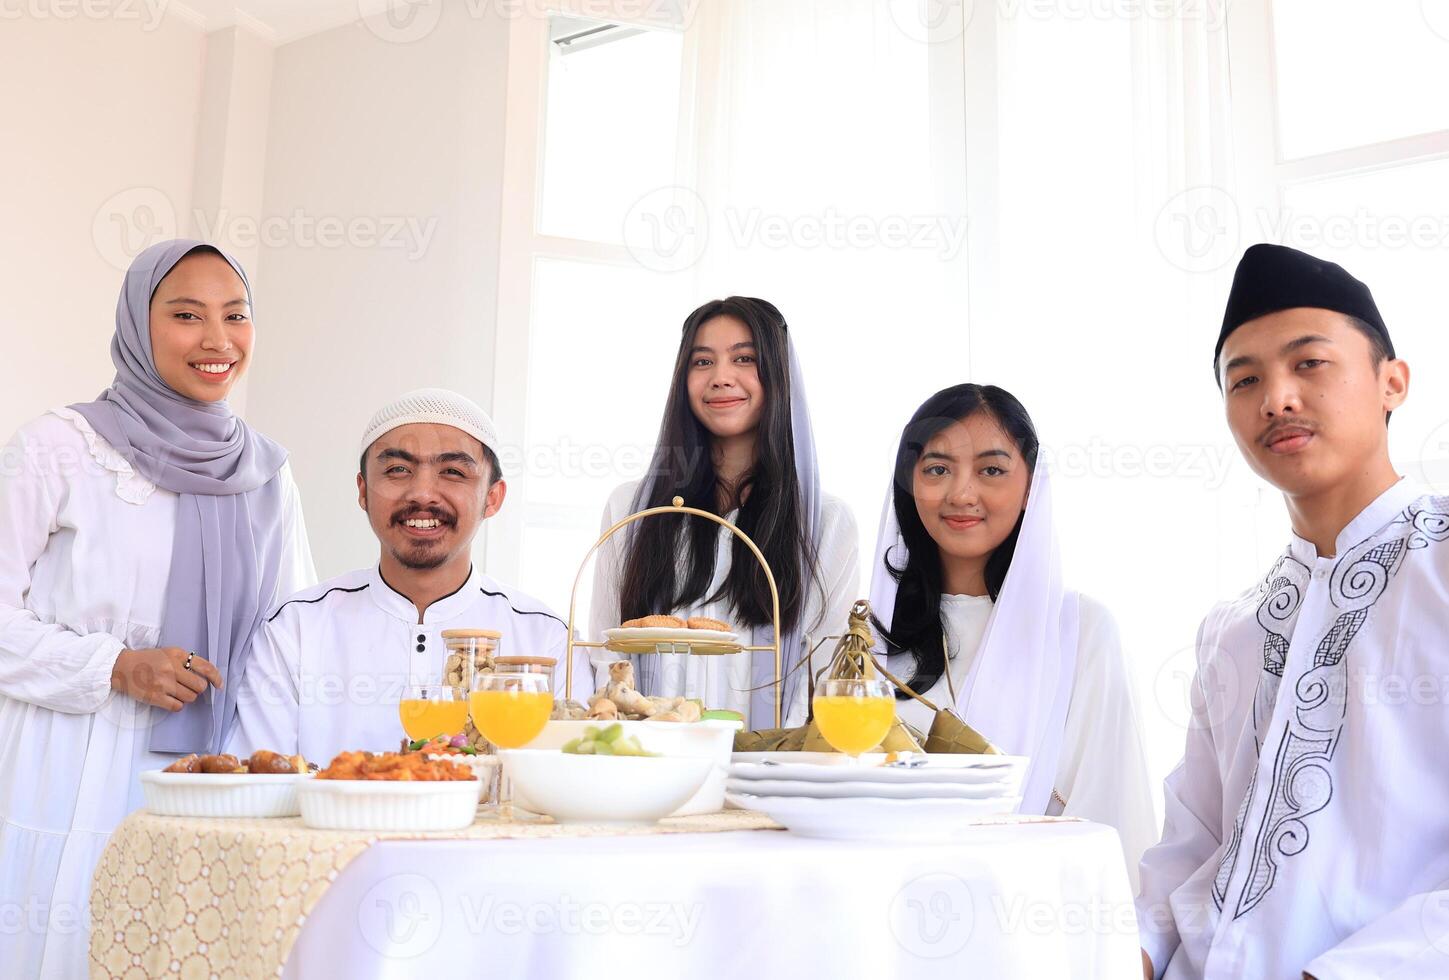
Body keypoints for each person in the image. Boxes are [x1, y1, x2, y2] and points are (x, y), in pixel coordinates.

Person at [0, 240, 315, 977]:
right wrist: (114, 666)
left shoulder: (267, 473)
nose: (216, 340)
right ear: (138, 326)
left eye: (235, 316)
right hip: (69, 757)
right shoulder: (60, 446)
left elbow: (289, 637)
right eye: (185, 315)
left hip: (212, 775)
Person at [1137, 244, 1449, 978]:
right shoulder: (1232, 627)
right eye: (1243, 380)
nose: (1274, 398)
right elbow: (1189, 843)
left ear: (1391, 382)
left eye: (1308, 363)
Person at [869, 383, 1155, 885]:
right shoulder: (867, 637)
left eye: (991, 470)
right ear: (910, 485)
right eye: (937, 469)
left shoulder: (1081, 633)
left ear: (1030, 489)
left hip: (1029, 921)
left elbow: (1110, 811)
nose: (962, 493)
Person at [231, 388, 585, 763]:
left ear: (492, 498)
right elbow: (259, 784)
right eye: (398, 470)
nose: (422, 493)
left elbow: (568, 790)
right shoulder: (295, 629)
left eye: (453, 472)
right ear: (364, 491)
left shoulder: (548, 640)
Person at [588, 297, 859, 729]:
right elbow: (606, 654)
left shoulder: (825, 522)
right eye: (702, 361)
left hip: (768, 772)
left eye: (744, 358)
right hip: (649, 765)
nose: (720, 378)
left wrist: (770, 766)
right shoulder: (632, 510)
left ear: (778, 375)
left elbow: (824, 672)